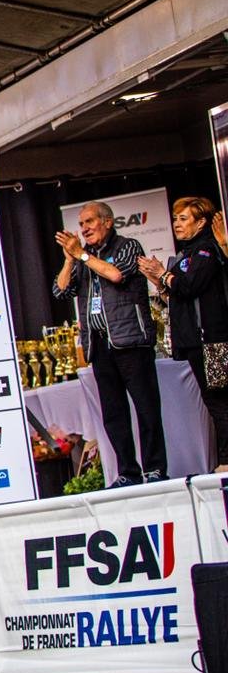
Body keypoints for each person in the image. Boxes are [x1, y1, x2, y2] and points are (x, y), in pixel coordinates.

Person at [52, 201, 165, 485]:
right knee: (114, 414)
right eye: (81, 224)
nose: (84, 229)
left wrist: (82, 255)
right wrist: (70, 259)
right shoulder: (82, 257)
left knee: (146, 409)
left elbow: (116, 274)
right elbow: (60, 291)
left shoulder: (128, 246)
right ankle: (128, 472)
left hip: (130, 341)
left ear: (107, 222)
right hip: (100, 344)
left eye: (89, 222)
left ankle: (155, 469)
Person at [139, 195, 228, 463]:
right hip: (192, 340)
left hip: (211, 340)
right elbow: (177, 298)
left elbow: (190, 286)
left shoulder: (206, 251)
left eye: (183, 218)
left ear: (200, 223)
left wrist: (163, 273)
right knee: (213, 402)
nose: (177, 223)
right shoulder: (185, 254)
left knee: (219, 401)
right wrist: (159, 280)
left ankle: (226, 461)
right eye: (175, 218)